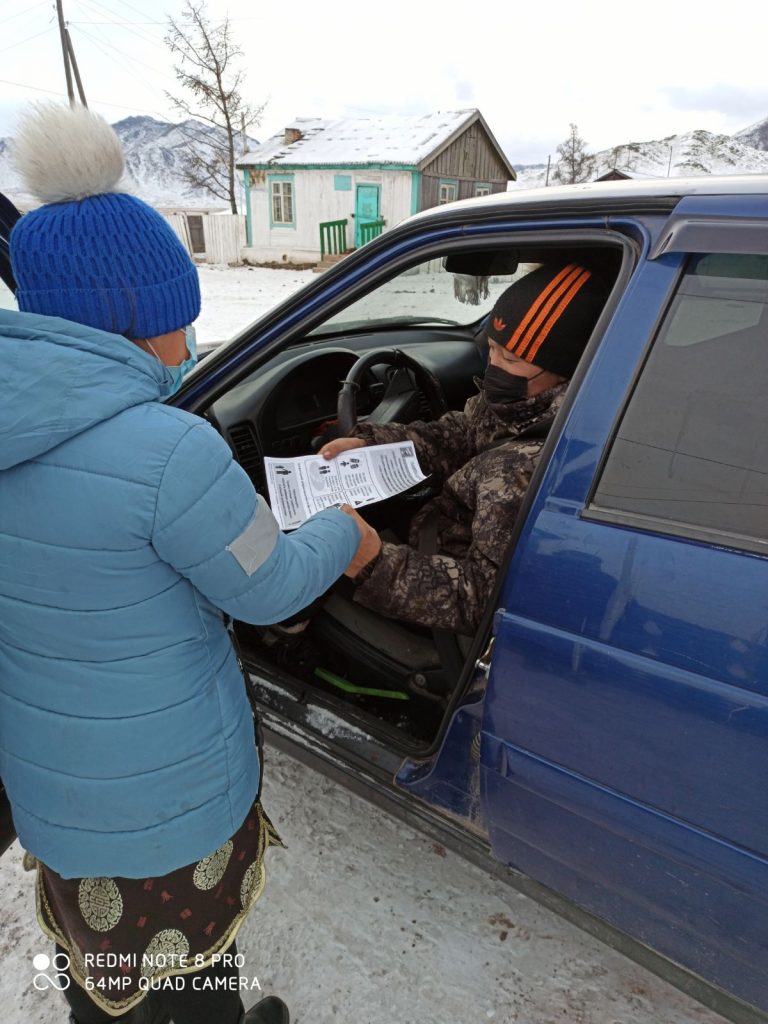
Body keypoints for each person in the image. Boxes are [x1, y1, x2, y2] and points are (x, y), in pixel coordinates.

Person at [0, 103, 378, 1024]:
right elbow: (271, 587)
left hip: (55, 790)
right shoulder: (168, 451)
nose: (191, 340)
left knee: (101, 967)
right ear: (138, 321)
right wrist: (344, 530)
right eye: (182, 319)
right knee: (193, 977)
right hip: (169, 800)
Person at [320, 261, 610, 636]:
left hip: (441, 592)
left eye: (511, 359)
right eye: (492, 348)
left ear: (566, 371)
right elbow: (464, 431)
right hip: (439, 529)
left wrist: (373, 562)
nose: (494, 366)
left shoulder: (525, 470)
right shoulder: (523, 402)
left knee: (321, 574)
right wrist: (374, 442)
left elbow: (483, 601)